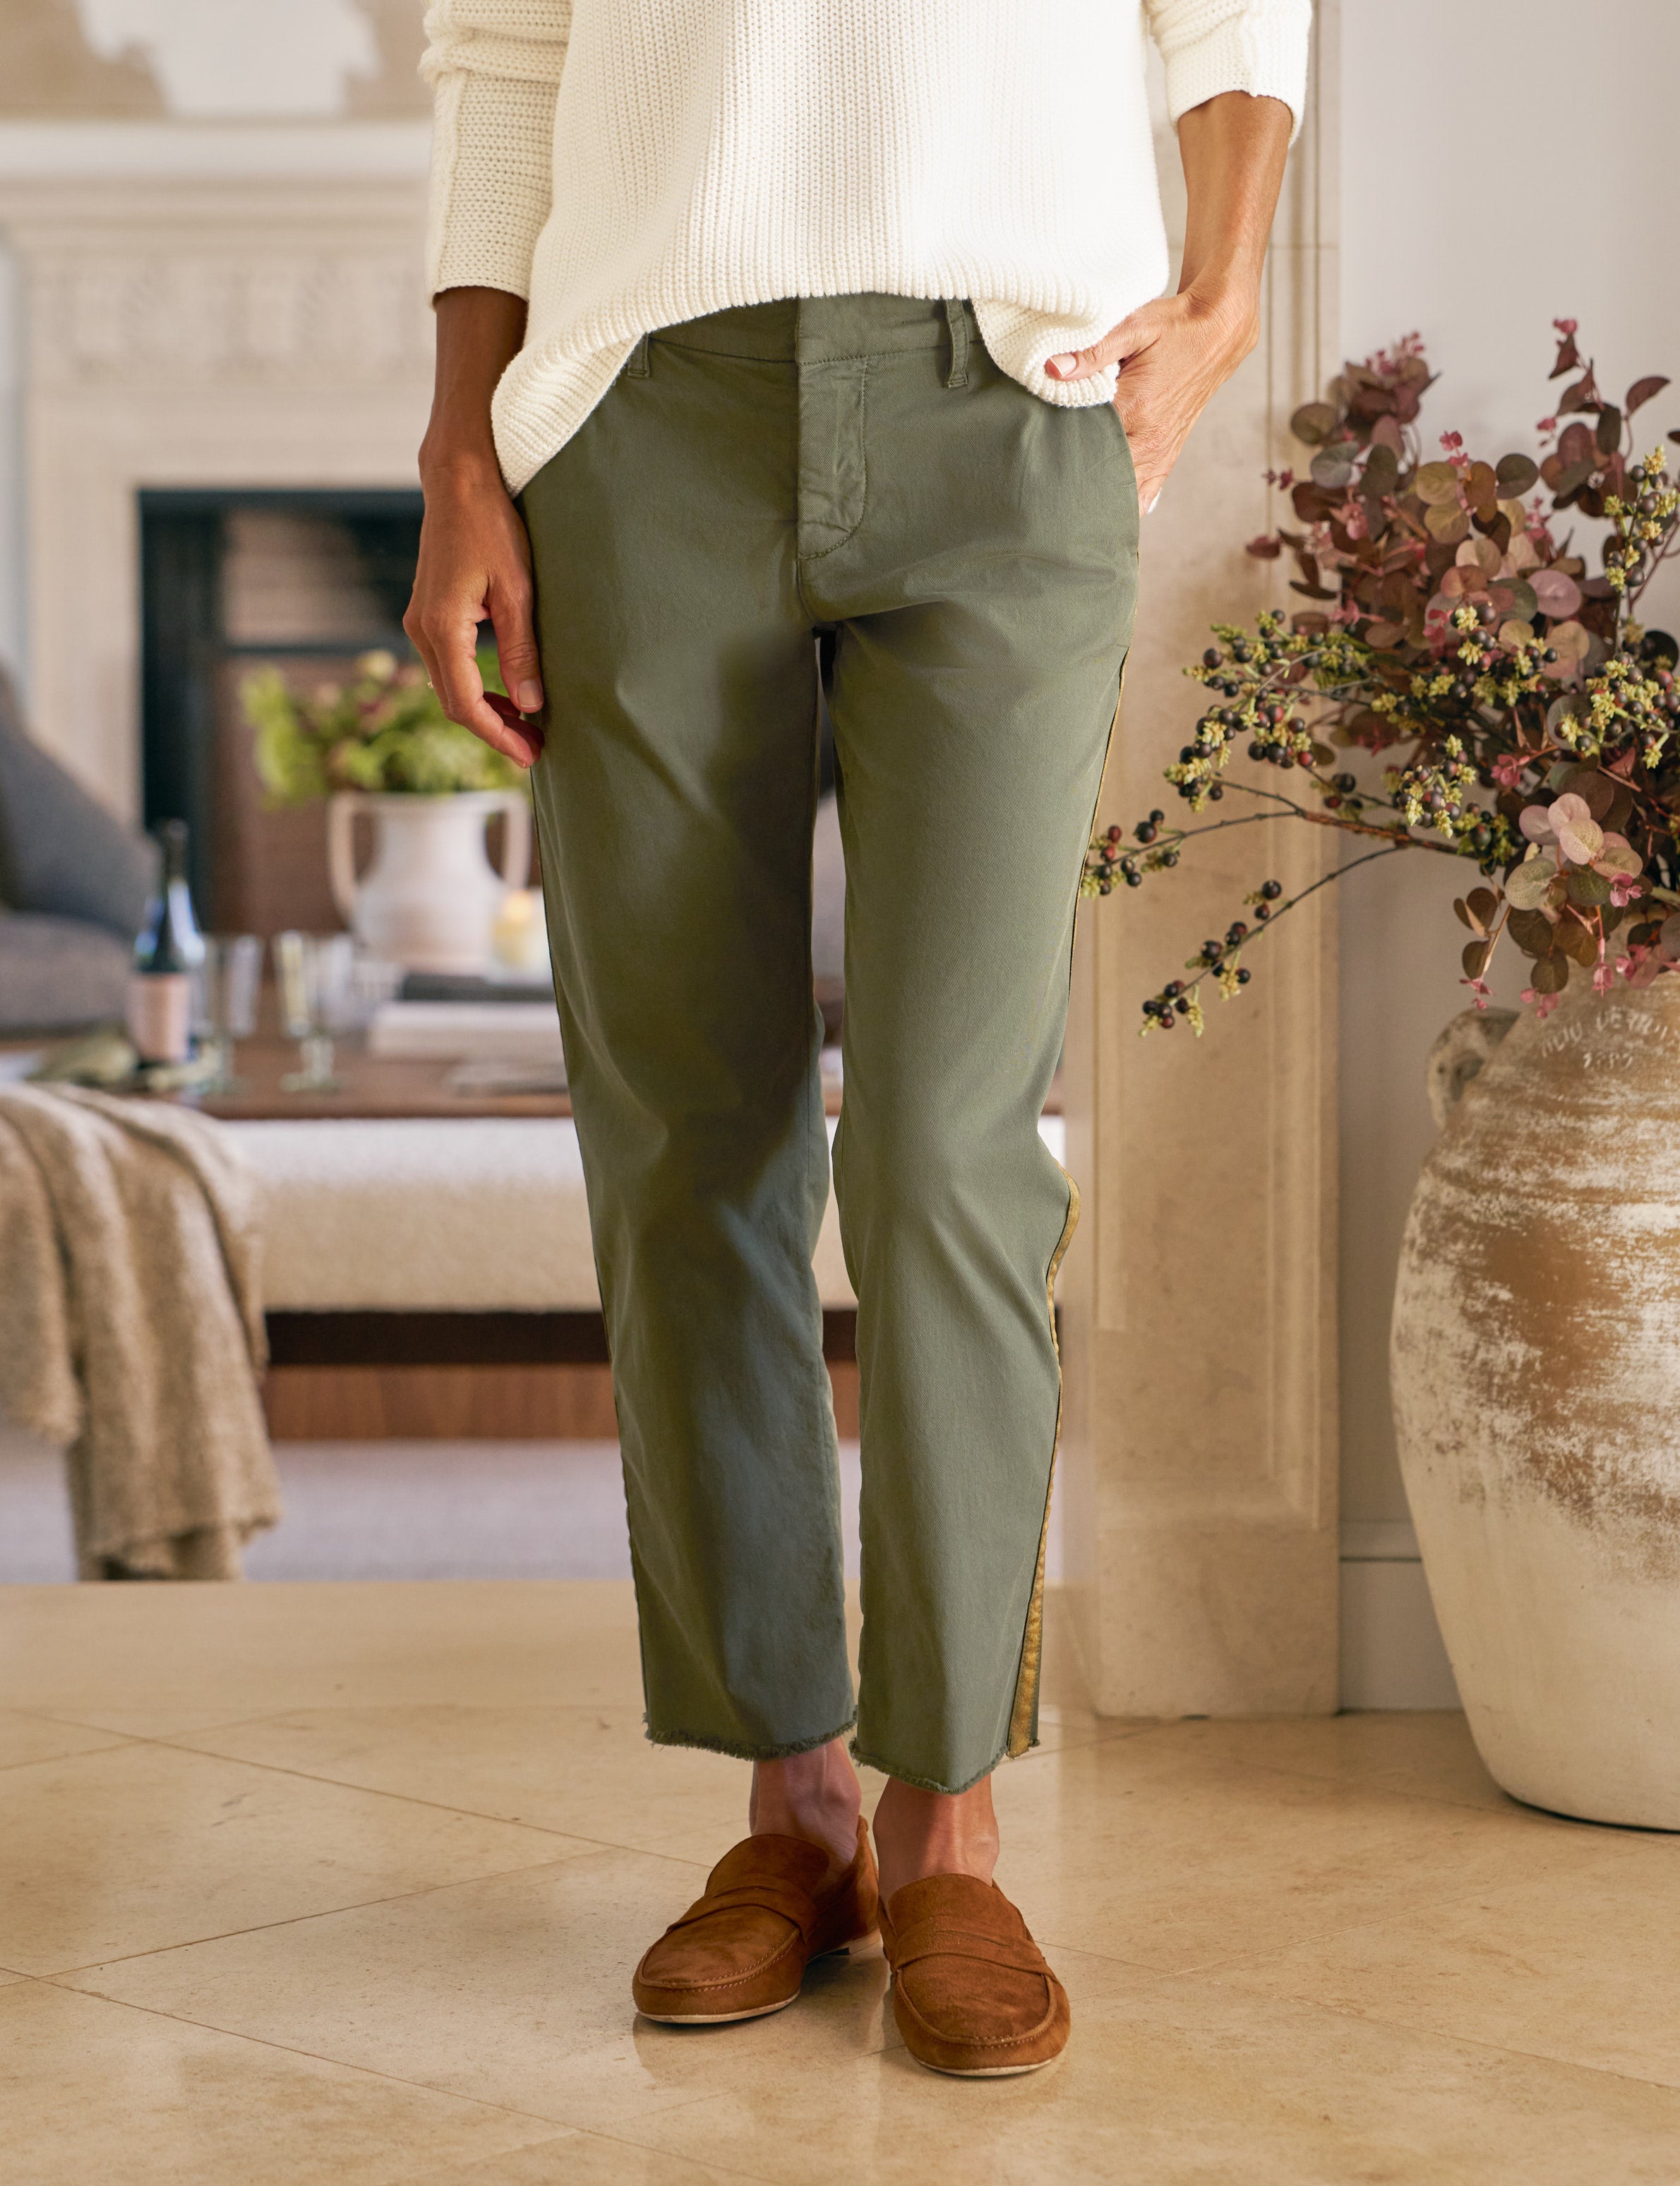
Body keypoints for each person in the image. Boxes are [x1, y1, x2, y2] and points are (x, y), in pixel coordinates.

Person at [407, 0, 1305, 2077]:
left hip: (1009, 393)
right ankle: (788, 1802)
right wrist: (465, 443)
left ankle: (947, 1816)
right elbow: (503, 53)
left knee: (945, 1147)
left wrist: (1226, 284)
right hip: (643, 408)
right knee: (685, 1131)